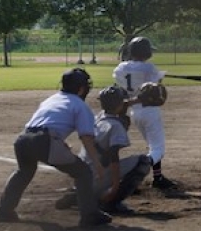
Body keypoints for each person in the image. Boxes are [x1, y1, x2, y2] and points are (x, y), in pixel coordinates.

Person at [0, 68, 112, 229]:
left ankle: (4, 212)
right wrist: (97, 163)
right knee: (83, 172)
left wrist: (59, 143)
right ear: (81, 89)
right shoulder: (80, 105)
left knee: (24, 171)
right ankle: (89, 215)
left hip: (22, 140)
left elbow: (46, 123)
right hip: (44, 141)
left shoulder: (51, 99)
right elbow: (86, 137)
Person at [55, 85, 152, 215]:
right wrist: (115, 188)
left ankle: (80, 194)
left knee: (100, 161)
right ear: (119, 104)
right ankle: (111, 203)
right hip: (97, 176)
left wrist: (135, 100)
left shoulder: (97, 118)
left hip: (82, 176)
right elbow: (113, 157)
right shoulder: (115, 126)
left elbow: (118, 107)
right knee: (143, 161)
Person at [113, 36, 178, 190]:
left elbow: (125, 85)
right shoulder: (149, 68)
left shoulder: (120, 68)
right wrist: (159, 76)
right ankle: (135, 170)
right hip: (150, 111)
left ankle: (158, 177)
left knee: (152, 146)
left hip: (135, 112)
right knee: (158, 149)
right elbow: (154, 90)